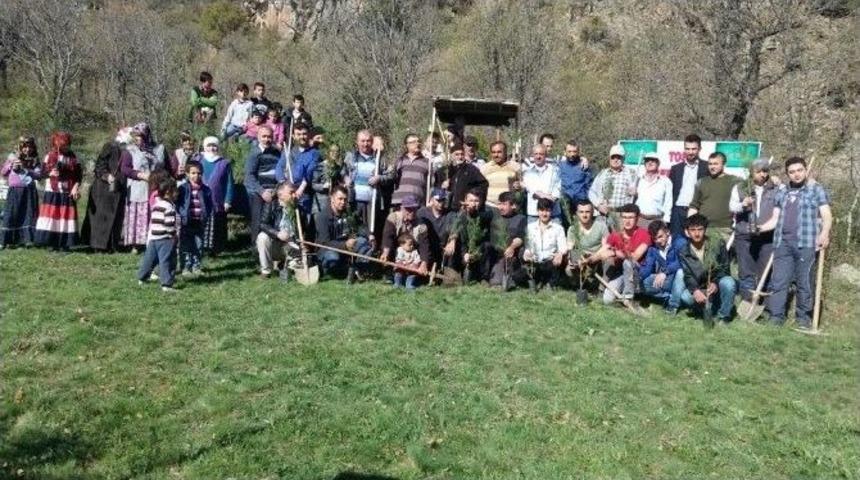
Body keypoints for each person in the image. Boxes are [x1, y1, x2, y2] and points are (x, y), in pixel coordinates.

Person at [759, 156, 832, 329]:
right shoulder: (782, 192)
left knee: (804, 282)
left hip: (806, 243)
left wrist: (824, 233)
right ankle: (776, 317)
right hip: (782, 243)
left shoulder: (816, 190)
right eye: (792, 172)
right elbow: (775, 219)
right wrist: (758, 228)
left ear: (806, 170)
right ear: (787, 174)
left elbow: (827, 216)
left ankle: (803, 319)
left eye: (799, 170)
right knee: (779, 282)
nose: (796, 174)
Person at [729, 158, 778, 301]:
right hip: (745, 235)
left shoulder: (776, 188)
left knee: (766, 272)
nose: (763, 174)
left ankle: (766, 305)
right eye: (759, 171)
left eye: (765, 171)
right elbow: (732, 207)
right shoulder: (740, 187)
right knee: (746, 272)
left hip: (767, 236)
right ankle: (748, 301)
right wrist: (743, 204)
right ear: (751, 172)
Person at [679, 213, 736, 324]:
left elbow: (725, 268)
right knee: (685, 297)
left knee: (729, 282)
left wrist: (715, 283)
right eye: (693, 230)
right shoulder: (684, 251)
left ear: (705, 230)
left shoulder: (717, 244)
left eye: (700, 229)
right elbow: (688, 275)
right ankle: (707, 309)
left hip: (717, 286)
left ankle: (724, 316)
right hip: (700, 287)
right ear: (687, 232)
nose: (696, 233)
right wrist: (695, 290)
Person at [121, 122, 167, 252]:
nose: (137, 139)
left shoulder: (158, 149)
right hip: (138, 187)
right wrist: (140, 175)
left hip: (155, 188)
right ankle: (135, 244)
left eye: (140, 136)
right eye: (135, 136)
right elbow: (125, 169)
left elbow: (167, 167)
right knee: (138, 215)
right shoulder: (130, 151)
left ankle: (152, 243)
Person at [81, 130, 129, 252]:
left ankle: (112, 245)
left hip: (119, 188)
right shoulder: (110, 146)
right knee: (102, 218)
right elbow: (99, 166)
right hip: (103, 188)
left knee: (116, 217)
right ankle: (98, 245)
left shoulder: (129, 151)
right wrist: (106, 176)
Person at [314, 185, 373, 283]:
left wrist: (369, 235)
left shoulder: (348, 213)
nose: (343, 202)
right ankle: (335, 270)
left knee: (363, 243)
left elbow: (361, 226)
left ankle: (358, 268)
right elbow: (324, 242)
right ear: (332, 198)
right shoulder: (322, 216)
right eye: (340, 199)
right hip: (328, 250)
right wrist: (344, 245)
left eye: (345, 199)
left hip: (347, 247)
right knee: (333, 257)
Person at [34, 132, 82, 251]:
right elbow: (41, 174)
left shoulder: (73, 158)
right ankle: (52, 242)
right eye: (61, 145)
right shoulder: (49, 156)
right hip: (53, 190)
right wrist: (50, 173)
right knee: (53, 216)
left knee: (65, 217)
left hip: (68, 191)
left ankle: (65, 243)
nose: (64, 147)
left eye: (66, 145)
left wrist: (76, 186)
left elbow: (78, 175)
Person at [344, 130, 392, 241]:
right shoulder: (351, 157)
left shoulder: (380, 158)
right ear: (357, 142)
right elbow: (343, 172)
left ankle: (371, 252)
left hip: (372, 201)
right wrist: (345, 178)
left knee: (372, 230)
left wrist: (379, 178)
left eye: (368, 141)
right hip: (354, 200)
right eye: (363, 141)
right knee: (354, 227)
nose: (366, 144)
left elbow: (391, 175)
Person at [601, 204, 651, 305]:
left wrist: (616, 253)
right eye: (624, 217)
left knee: (628, 263)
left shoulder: (644, 234)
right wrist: (589, 260)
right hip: (621, 273)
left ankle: (628, 297)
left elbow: (634, 258)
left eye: (631, 217)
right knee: (607, 300)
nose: (627, 221)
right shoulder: (615, 234)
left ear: (637, 218)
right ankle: (622, 290)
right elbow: (603, 251)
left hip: (637, 271)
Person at [688, 152, 741, 242]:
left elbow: (752, 186)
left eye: (716, 164)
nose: (712, 167)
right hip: (703, 229)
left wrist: (772, 180)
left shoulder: (734, 181)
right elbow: (694, 206)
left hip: (724, 229)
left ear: (724, 164)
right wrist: (689, 226)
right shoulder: (701, 182)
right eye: (710, 164)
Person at [137, 178, 179, 292]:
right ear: (168, 192)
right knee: (167, 261)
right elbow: (169, 224)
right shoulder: (169, 207)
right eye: (175, 190)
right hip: (165, 239)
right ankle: (166, 284)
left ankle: (142, 278)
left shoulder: (156, 205)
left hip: (154, 238)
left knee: (149, 259)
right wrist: (173, 235)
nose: (177, 192)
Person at [276, 123, 320, 230]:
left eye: (304, 134)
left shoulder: (314, 153)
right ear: (293, 136)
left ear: (309, 135)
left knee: (304, 223)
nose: (302, 136)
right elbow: (279, 168)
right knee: (287, 223)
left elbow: (309, 172)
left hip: (304, 194)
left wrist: (300, 190)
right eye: (298, 134)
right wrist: (284, 185)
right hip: (288, 192)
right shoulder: (288, 152)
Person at [256, 181, 303, 281]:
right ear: (280, 194)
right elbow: (262, 224)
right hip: (276, 244)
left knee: (298, 266)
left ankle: (285, 265)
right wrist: (277, 234)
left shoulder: (298, 208)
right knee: (262, 237)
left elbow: (304, 231)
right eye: (291, 192)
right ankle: (266, 271)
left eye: (294, 192)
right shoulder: (271, 205)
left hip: (292, 245)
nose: (294, 195)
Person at [445, 189, 494, 283]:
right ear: (465, 201)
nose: (473, 204)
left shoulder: (487, 212)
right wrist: (453, 241)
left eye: (476, 201)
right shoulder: (459, 214)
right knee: (451, 245)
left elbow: (485, 216)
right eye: (471, 201)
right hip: (463, 248)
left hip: (478, 250)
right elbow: (455, 227)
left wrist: (474, 212)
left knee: (487, 246)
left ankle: (484, 278)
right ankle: (451, 275)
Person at [639, 220, 688, 314]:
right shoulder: (653, 248)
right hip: (667, 280)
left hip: (681, 279)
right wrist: (639, 276)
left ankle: (673, 306)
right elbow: (648, 266)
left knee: (681, 272)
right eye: (655, 238)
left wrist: (665, 272)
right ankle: (670, 296)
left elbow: (683, 261)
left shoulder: (680, 242)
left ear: (668, 232)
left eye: (660, 237)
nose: (658, 241)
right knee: (644, 283)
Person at [243, 126, 281, 243]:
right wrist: (262, 192)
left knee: (274, 220)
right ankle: (256, 249)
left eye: (269, 136)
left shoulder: (276, 153)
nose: (267, 139)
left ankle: (272, 248)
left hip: (274, 192)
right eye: (264, 136)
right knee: (258, 220)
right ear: (258, 137)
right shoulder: (255, 154)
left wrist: (276, 190)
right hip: (259, 193)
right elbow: (249, 176)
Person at [1, 137, 41, 248]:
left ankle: (26, 240)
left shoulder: (35, 159)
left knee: (28, 215)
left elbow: (39, 175)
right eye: (25, 147)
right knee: (11, 214)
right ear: (20, 147)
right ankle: (5, 240)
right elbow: (3, 172)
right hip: (15, 189)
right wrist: (11, 166)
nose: (27, 149)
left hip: (29, 190)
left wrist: (26, 169)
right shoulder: (12, 157)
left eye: (30, 147)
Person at [176, 160, 213, 275]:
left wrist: (206, 215)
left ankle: (196, 266)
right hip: (187, 221)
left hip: (200, 221)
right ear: (187, 174)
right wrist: (182, 215)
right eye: (193, 173)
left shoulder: (206, 190)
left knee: (198, 244)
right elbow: (179, 204)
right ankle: (186, 267)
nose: (196, 176)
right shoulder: (183, 188)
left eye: (199, 173)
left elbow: (209, 204)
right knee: (186, 245)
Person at [199, 136, 234, 256]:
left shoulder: (224, 163)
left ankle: (215, 249)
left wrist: (228, 200)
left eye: (214, 145)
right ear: (204, 147)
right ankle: (200, 247)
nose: (212, 148)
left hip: (218, 200)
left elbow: (229, 183)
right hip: (200, 200)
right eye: (209, 145)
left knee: (217, 225)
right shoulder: (199, 161)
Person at [588, 144, 637, 230]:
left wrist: (636, 193)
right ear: (609, 158)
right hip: (604, 214)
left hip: (622, 215)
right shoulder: (602, 173)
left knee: (621, 240)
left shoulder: (631, 174)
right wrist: (598, 205)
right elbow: (591, 192)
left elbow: (640, 192)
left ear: (623, 158)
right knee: (604, 240)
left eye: (619, 157)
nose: (616, 160)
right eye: (613, 157)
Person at [523, 198, 568, 291]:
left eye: (547, 211)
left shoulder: (558, 228)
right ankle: (537, 280)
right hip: (534, 261)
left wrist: (559, 254)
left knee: (556, 263)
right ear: (537, 211)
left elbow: (563, 247)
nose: (544, 214)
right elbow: (528, 246)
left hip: (550, 262)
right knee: (518, 275)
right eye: (542, 210)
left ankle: (550, 282)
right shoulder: (530, 227)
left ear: (551, 211)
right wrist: (527, 254)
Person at [565, 199, 609, 290]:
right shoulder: (573, 229)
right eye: (581, 212)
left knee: (608, 257)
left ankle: (601, 287)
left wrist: (594, 257)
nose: (584, 215)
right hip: (581, 258)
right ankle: (582, 285)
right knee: (569, 270)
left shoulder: (601, 227)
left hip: (597, 258)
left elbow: (606, 246)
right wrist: (572, 259)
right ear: (577, 213)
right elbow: (570, 247)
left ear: (592, 212)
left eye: (587, 212)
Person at [669, 134, 708, 236]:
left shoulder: (707, 167)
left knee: (695, 242)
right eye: (688, 149)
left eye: (694, 149)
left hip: (697, 210)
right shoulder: (675, 169)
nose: (690, 152)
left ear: (699, 149)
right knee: (677, 242)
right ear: (684, 149)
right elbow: (670, 192)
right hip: (678, 210)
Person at [379, 195, 430, 275]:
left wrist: (424, 264)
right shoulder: (393, 218)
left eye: (414, 209)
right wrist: (385, 253)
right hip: (395, 250)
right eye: (408, 209)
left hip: (413, 253)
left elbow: (424, 246)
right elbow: (388, 237)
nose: (412, 212)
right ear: (402, 208)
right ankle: (389, 272)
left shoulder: (422, 225)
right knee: (388, 250)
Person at [488, 191, 526, 289]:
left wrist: (512, 247)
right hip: (497, 256)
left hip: (512, 255)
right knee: (495, 282)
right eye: (499, 204)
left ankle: (515, 278)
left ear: (513, 206)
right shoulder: (494, 216)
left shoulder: (521, 218)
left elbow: (520, 237)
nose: (500, 207)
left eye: (504, 204)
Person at [435, 143, 488, 209]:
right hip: (446, 209)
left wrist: (472, 197)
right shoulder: (443, 171)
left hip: (464, 209)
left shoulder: (471, 170)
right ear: (451, 155)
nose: (460, 157)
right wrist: (442, 187)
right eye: (456, 154)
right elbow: (435, 191)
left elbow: (483, 184)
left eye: (462, 154)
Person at [521, 144, 561, 225]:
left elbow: (558, 188)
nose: (538, 156)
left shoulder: (555, 170)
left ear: (545, 155)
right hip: (534, 214)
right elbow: (532, 191)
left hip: (553, 213)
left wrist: (552, 197)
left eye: (541, 154)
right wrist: (545, 195)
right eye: (536, 154)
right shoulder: (528, 172)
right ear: (533, 155)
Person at [391, 133, 431, 209]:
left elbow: (431, 183)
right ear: (407, 145)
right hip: (400, 201)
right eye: (413, 142)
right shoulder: (399, 160)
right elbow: (392, 177)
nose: (417, 144)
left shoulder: (427, 162)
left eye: (418, 141)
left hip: (417, 202)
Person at [417, 188, 455, 266]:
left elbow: (455, 228)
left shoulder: (450, 214)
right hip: (426, 246)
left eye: (443, 200)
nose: (441, 203)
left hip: (442, 248)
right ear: (432, 200)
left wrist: (452, 241)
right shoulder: (423, 212)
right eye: (438, 200)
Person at [635, 152, 673, 228]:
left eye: (653, 160)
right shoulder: (637, 180)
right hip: (640, 220)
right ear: (644, 164)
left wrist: (666, 221)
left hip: (657, 220)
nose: (650, 162)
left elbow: (668, 203)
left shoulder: (665, 181)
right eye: (647, 160)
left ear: (658, 163)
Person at [480, 141, 521, 210]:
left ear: (505, 153)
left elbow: (522, 185)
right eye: (493, 152)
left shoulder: (515, 166)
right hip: (490, 207)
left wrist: (519, 186)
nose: (496, 155)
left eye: (499, 152)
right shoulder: (484, 168)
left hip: (508, 208)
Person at [557, 140, 593, 216]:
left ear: (578, 152)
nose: (572, 154)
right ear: (565, 152)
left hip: (581, 203)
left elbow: (590, 183)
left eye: (574, 151)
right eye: (569, 151)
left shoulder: (584, 165)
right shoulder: (560, 165)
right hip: (565, 204)